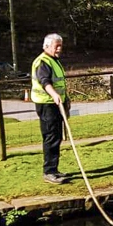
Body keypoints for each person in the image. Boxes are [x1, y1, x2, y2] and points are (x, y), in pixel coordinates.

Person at [31, 34, 70, 184]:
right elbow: (44, 81)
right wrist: (54, 95)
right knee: (51, 137)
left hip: (56, 103)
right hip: (47, 104)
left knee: (57, 136)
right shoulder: (43, 62)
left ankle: (54, 169)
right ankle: (49, 171)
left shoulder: (54, 60)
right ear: (46, 46)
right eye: (56, 46)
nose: (59, 49)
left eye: (61, 46)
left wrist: (65, 99)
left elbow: (59, 82)